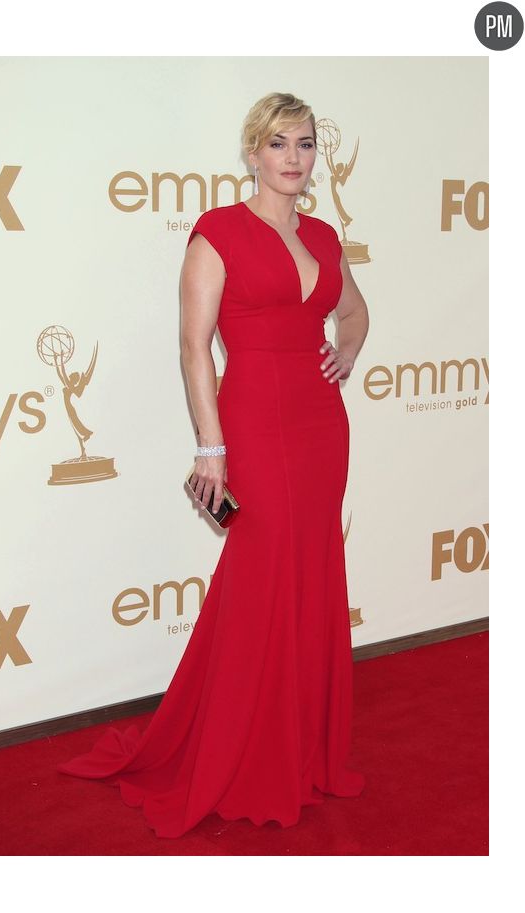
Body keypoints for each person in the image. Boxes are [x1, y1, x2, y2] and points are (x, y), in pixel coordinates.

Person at [57, 91, 370, 839]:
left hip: (322, 422)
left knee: (312, 569)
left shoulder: (325, 236)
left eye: (304, 145)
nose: (293, 159)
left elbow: (353, 312)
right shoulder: (218, 232)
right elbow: (194, 345)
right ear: (252, 153)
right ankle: (243, 747)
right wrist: (211, 446)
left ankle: (301, 745)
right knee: (262, 579)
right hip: (254, 423)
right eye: (279, 145)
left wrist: (348, 347)